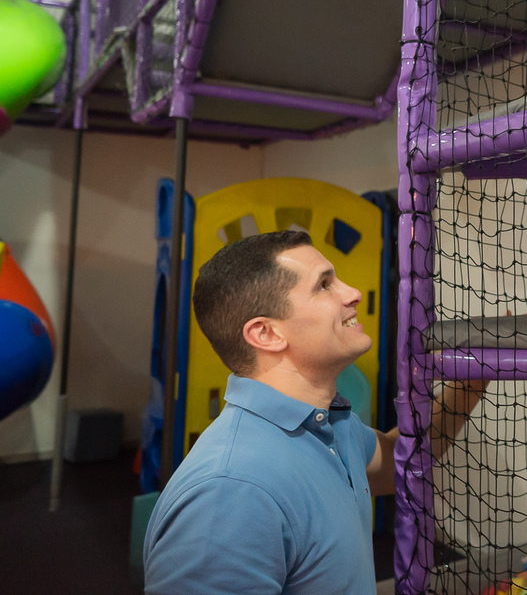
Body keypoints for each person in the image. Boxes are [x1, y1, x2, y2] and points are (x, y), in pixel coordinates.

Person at [143, 230, 485, 594]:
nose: (353, 293)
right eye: (324, 286)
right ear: (267, 333)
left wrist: (474, 377)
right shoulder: (230, 491)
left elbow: (401, 460)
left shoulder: (328, 426)